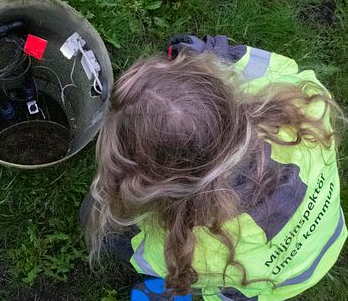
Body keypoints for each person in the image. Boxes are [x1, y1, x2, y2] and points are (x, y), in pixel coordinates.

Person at [82, 35, 345, 300]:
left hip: (264, 282)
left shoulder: (190, 248)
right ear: (224, 92)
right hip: (326, 238)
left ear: (153, 184)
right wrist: (214, 52)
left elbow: (146, 256)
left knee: (116, 240)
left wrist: (110, 212)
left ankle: (175, 291)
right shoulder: (307, 106)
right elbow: (266, 65)